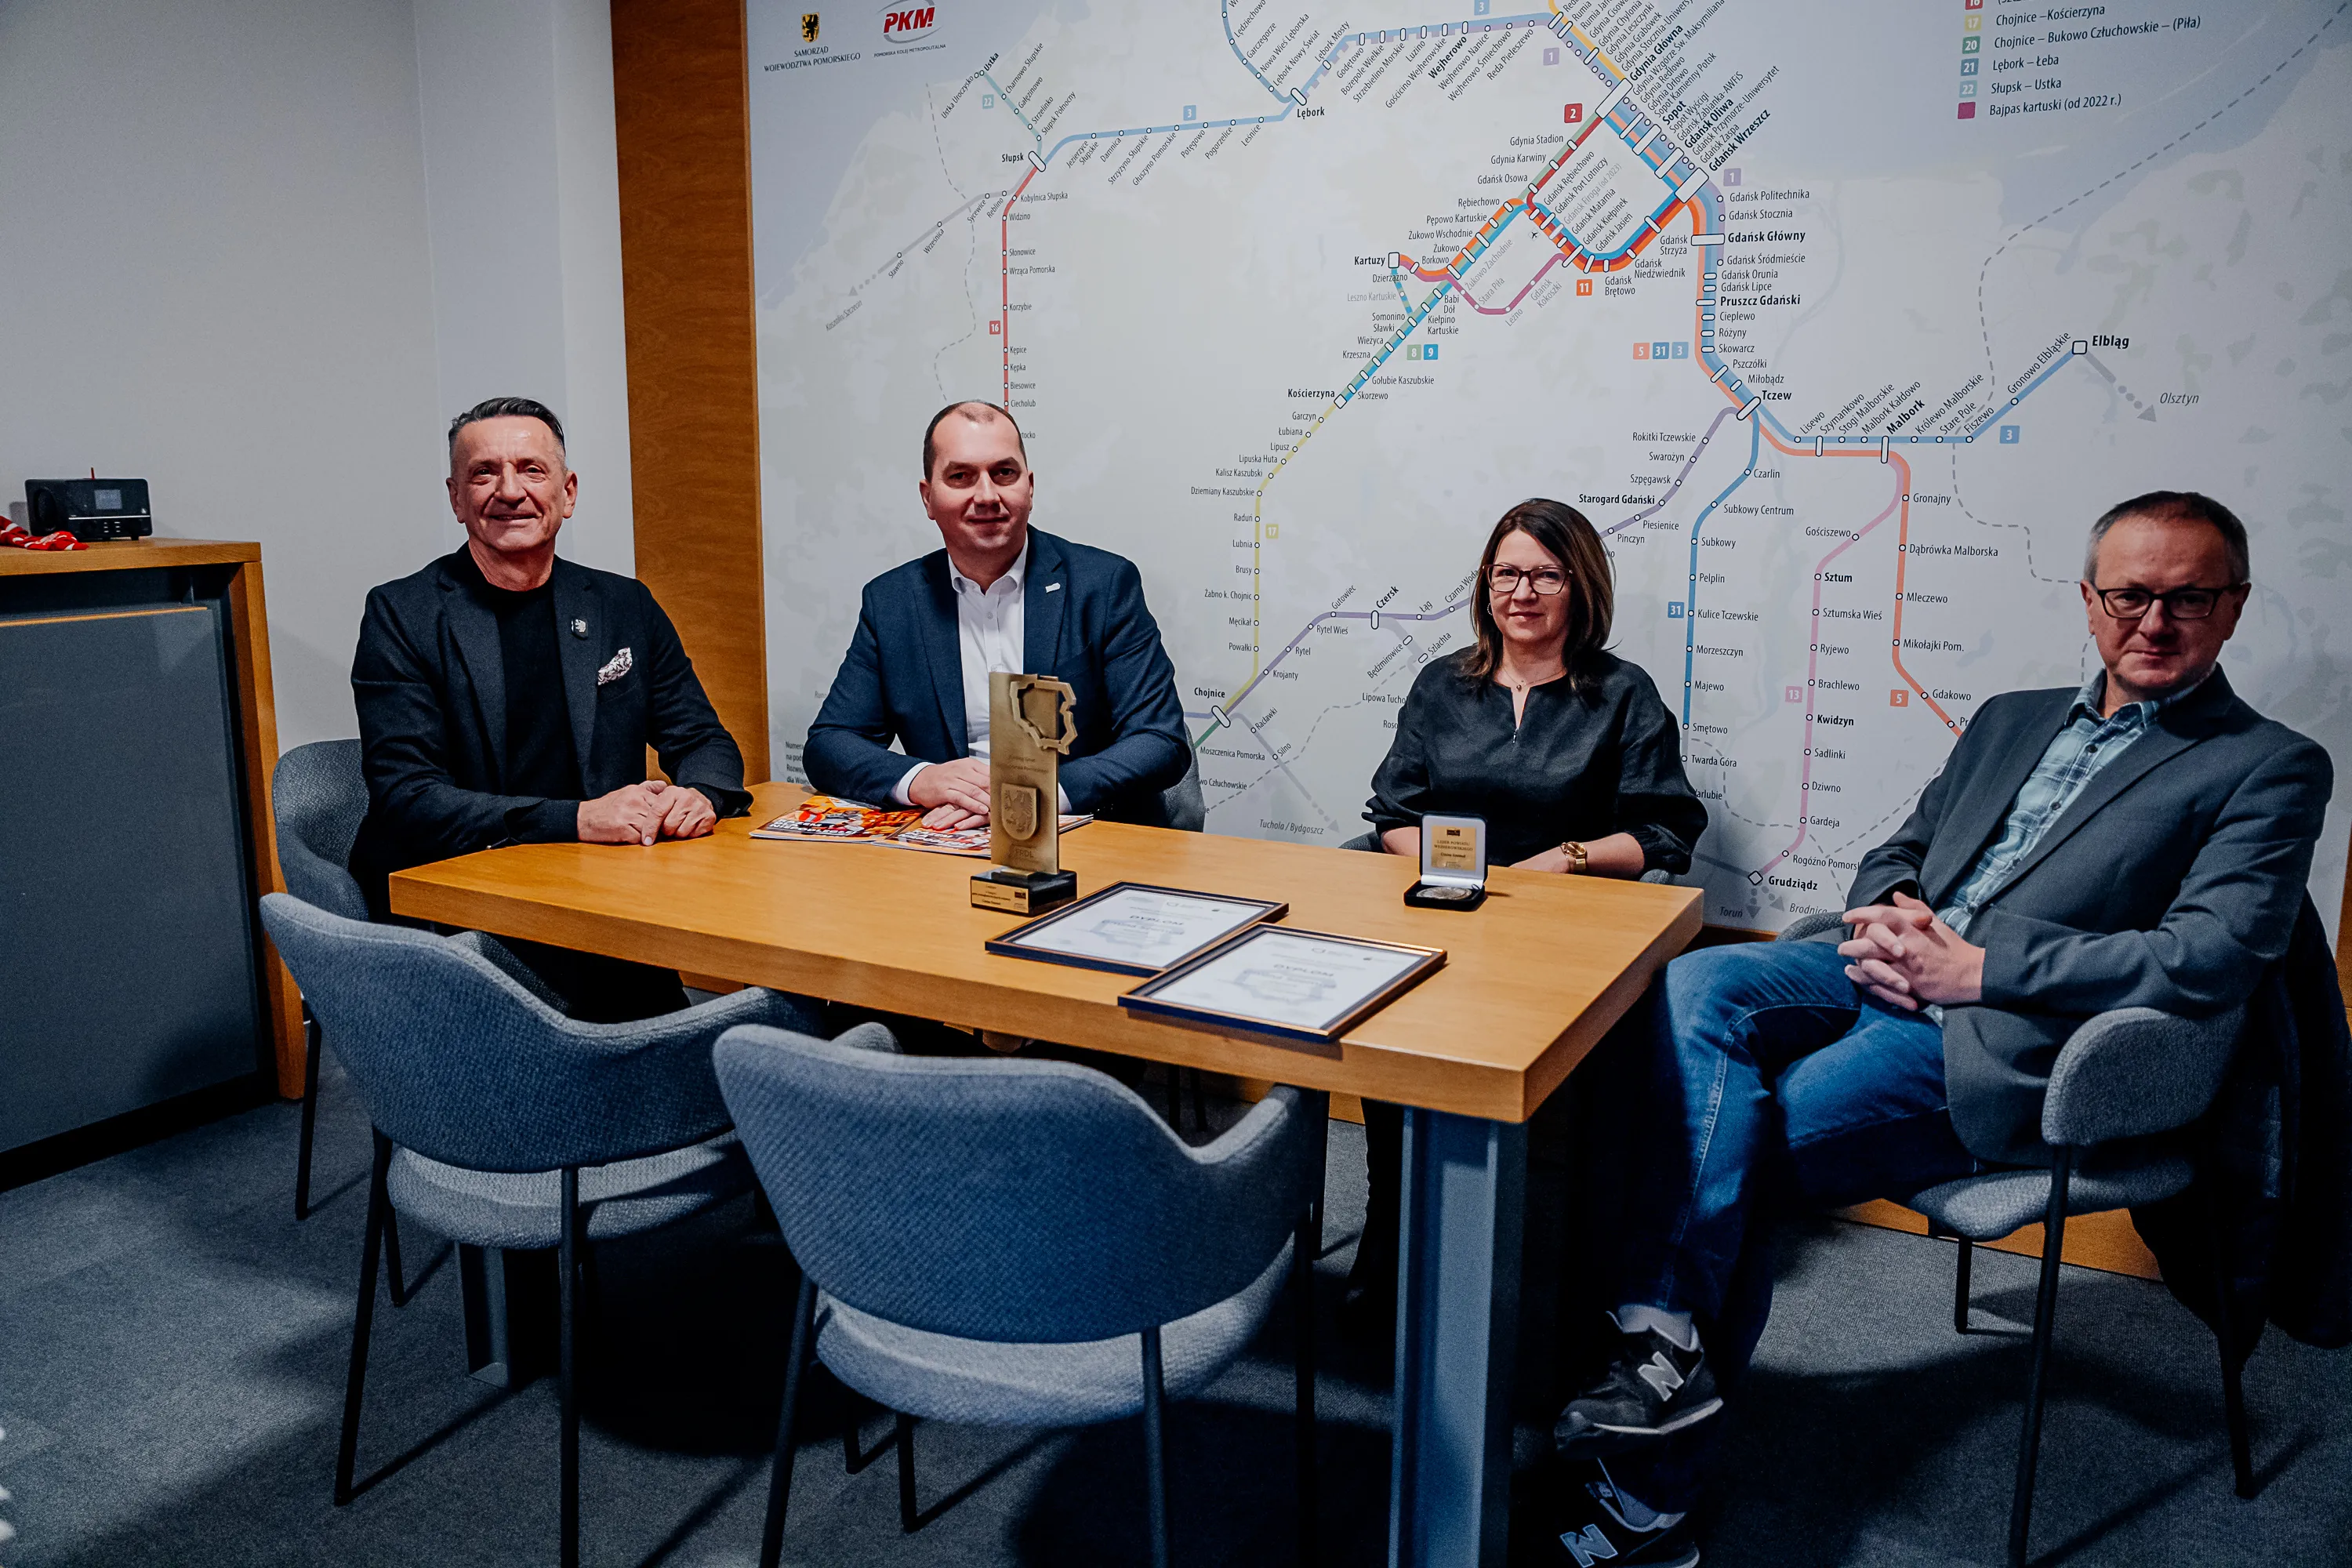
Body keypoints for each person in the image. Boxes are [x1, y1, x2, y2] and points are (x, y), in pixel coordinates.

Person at [1537, 492, 2332, 1567]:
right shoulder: (2013, 715)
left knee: (1726, 1145)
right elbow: (1900, 847)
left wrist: (1977, 969)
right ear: (2089, 599)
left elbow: (2212, 955)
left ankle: (1648, 1501)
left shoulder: (2269, 764)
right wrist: (1890, 910)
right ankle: (1658, 1345)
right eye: (2130, 595)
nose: (2154, 621)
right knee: (1699, 984)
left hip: (2009, 1037)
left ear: (2232, 605)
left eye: (2188, 598)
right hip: (1886, 966)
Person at [1347, 499, 1708, 1327]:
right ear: (1486, 584)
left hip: (1563, 939)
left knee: (1564, 1116)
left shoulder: (1622, 694)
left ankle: (1557, 1289)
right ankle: (1392, 1253)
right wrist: (1452, 871)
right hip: (1444, 917)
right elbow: (1392, 811)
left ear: (1581, 587)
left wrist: (1565, 860)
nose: (1523, 592)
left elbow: (1665, 830)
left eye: (1547, 575)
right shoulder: (1441, 684)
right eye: (1507, 573)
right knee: (1391, 1059)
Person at [349, 397, 751, 1022]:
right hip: (463, 913)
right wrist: (580, 819)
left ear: (568, 493)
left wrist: (699, 794)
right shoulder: (403, 614)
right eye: (484, 474)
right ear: (456, 499)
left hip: (598, 899)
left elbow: (704, 739)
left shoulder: (623, 604)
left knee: (723, 1035)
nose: (510, 491)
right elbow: (409, 798)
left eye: (531, 470)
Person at [804, 400, 1189, 826]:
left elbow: (1160, 740)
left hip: (1083, 833)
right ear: (928, 498)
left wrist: (1041, 793)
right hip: (947, 836)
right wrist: (922, 779)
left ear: (1029, 487)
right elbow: (830, 743)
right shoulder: (893, 602)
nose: (987, 496)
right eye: (960, 476)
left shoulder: (1104, 586)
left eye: (1004, 473)